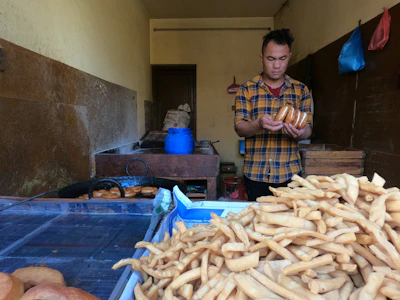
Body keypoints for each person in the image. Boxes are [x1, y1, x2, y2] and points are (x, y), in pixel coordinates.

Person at [234, 28, 313, 201]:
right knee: (257, 223)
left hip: (290, 173)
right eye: (271, 59)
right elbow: (240, 127)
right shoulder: (247, 88)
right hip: (256, 174)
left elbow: (308, 128)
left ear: (289, 56)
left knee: (289, 223)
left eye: (282, 59)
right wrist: (258, 124)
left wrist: (301, 133)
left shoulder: (301, 90)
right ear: (262, 58)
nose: (277, 65)